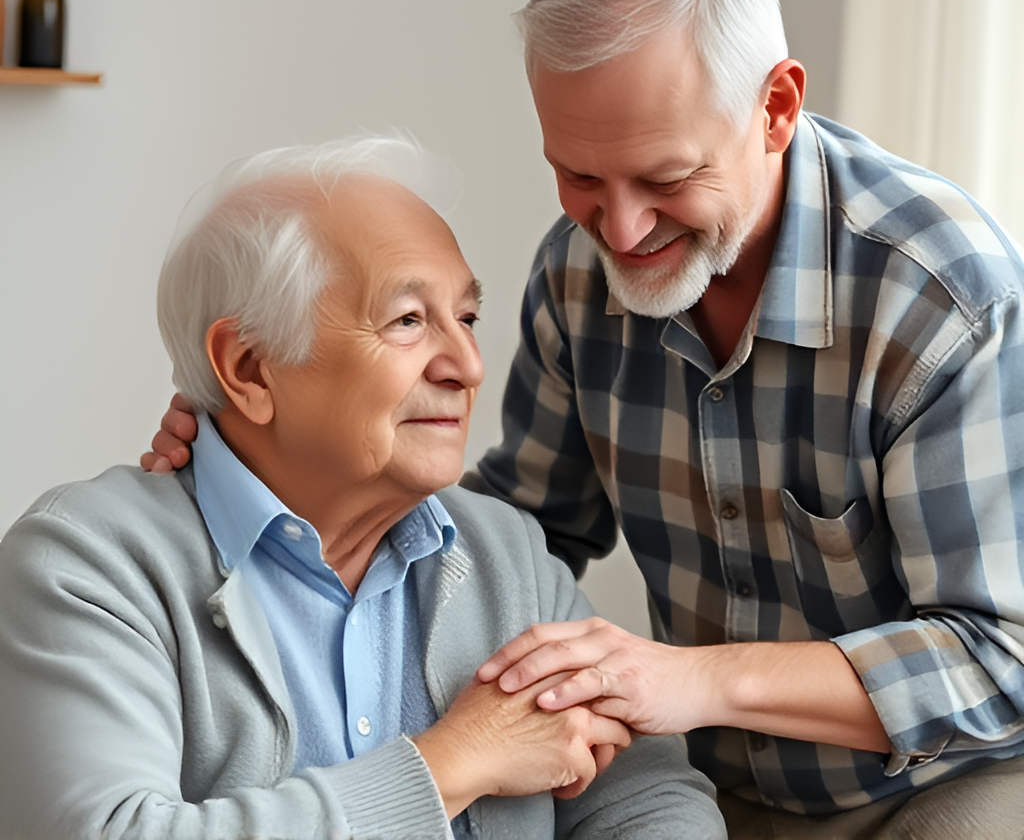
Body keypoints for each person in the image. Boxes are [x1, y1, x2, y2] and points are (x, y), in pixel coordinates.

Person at [144, 0, 1024, 837]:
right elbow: (521, 537)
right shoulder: (578, 271)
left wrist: (692, 680)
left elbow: (1003, 657)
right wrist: (257, 456)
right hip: (702, 780)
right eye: (578, 176)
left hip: (941, 789)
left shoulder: (943, 301)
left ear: (776, 108)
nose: (623, 231)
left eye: (666, 178)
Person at [0, 138, 726, 840]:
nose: (469, 365)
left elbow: (648, 795)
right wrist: (455, 760)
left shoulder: (507, 552)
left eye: (466, 318)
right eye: (408, 320)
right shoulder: (84, 567)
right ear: (251, 368)